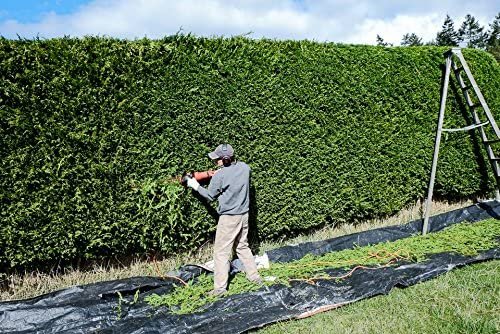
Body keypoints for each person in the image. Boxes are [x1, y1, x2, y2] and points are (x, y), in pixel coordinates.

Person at [186, 143, 262, 296]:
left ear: (225, 160)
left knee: (221, 252)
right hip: (243, 215)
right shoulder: (245, 168)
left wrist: (194, 185)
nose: (215, 162)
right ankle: (255, 278)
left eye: (217, 159)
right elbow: (233, 175)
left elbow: (210, 196)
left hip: (229, 218)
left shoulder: (220, 176)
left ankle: (220, 288)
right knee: (242, 246)